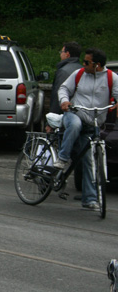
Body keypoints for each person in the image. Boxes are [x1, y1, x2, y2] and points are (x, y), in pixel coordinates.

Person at [54, 47, 118, 210]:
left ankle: (89, 198)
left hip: (93, 121)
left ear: (97, 65)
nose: (83, 64)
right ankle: (63, 158)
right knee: (74, 125)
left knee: (89, 161)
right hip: (75, 113)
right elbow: (63, 89)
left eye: (86, 62)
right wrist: (64, 101)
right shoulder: (79, 74)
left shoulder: (112, 78)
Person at [49, 42, 81, 115]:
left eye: (61, 52)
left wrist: (52, 118)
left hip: (66, 113)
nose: (60, 54)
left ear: (67, 54)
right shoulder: (82, 70)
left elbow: (57, 96)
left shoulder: (63, 71)